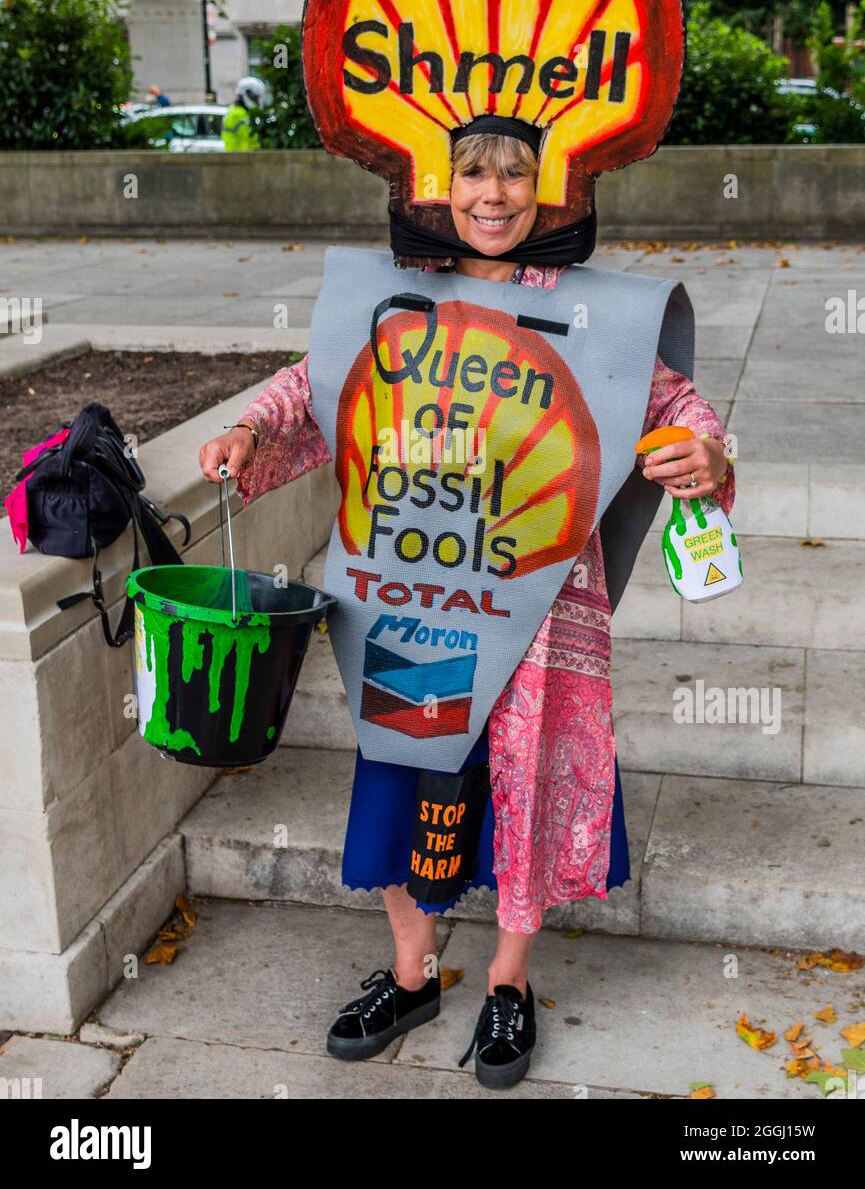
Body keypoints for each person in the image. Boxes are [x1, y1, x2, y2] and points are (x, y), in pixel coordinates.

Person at [198, 122, 735, 1089]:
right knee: (405, 775)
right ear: (440, 185)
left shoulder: (587, 309)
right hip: (415, 595)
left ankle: (506, 985)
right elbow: (314, 387)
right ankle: (410, 974)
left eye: (515, 174)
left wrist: (708, 452)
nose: (493, 194)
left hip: (538, 611)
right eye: (474, 173)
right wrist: (248, 427)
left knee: (522, 787)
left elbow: (674, 404)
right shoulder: (395, 295)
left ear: (549, 188)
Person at [221, 75, 266, 152]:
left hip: (240, 156)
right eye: (255, 98)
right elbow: (251, 137)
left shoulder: (238, 111)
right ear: (245, 95)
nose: (257, 102)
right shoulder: (238, 114)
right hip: (239, 157)